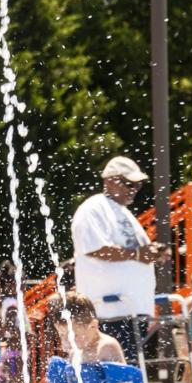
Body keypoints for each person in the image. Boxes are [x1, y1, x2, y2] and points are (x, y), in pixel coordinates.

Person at [71, 156, 167, 367]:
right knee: (113, 380)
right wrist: (140, 255)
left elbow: (133, 251)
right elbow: (96, 248)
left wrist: (152, 252)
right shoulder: (93, 208)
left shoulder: (122, 212)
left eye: (138, 185)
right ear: (111, 180)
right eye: (130, 184)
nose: (135, 189)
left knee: (128, 377)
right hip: (109, 311)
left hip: (129, 311)